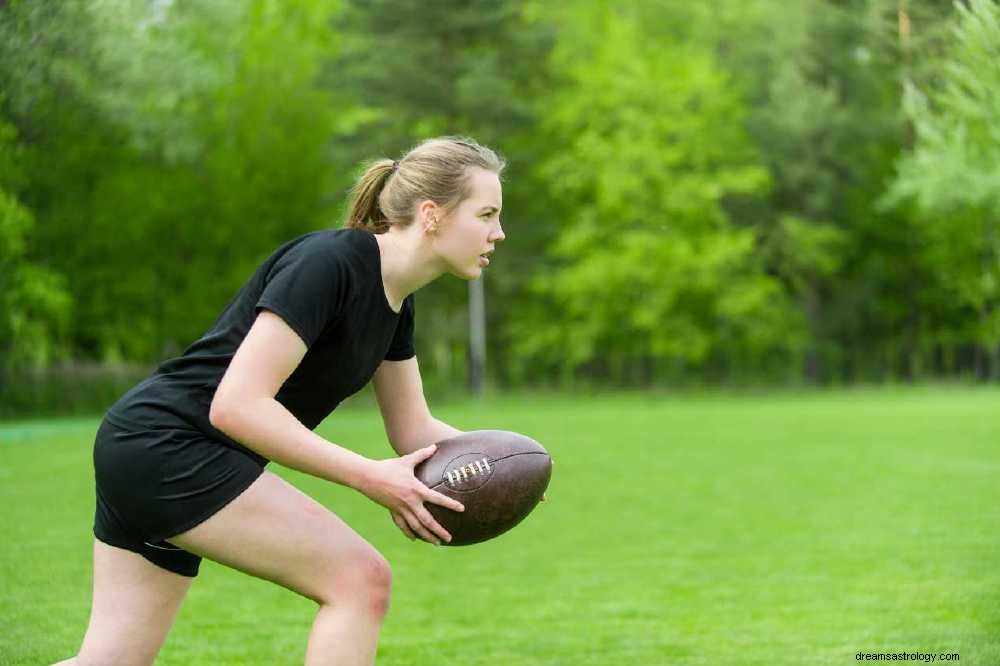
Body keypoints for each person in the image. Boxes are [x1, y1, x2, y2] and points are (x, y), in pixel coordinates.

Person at [55, 136, 507, 666]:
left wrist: (510, 459)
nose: (498, 232)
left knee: (110, 660)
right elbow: (237, 405)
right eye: (487, 214)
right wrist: (369, 475)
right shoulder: (330, 263)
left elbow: (413, 429)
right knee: (359, 580)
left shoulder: (396, 305)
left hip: (146, 449)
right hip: (167, 446)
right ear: (432, 214)